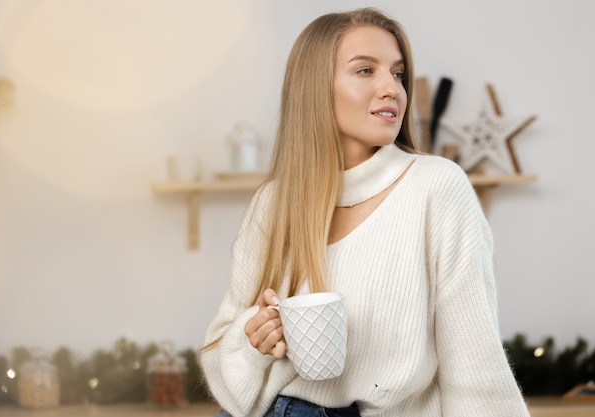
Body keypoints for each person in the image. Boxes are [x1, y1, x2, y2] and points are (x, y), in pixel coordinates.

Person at [200, 7, 530, 417]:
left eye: (398, 74)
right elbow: (226, 377)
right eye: (365, 71)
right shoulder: (273, 203)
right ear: (315, 87)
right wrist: (254, 343)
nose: (391, 89)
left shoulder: (436, 187)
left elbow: (473, 365)